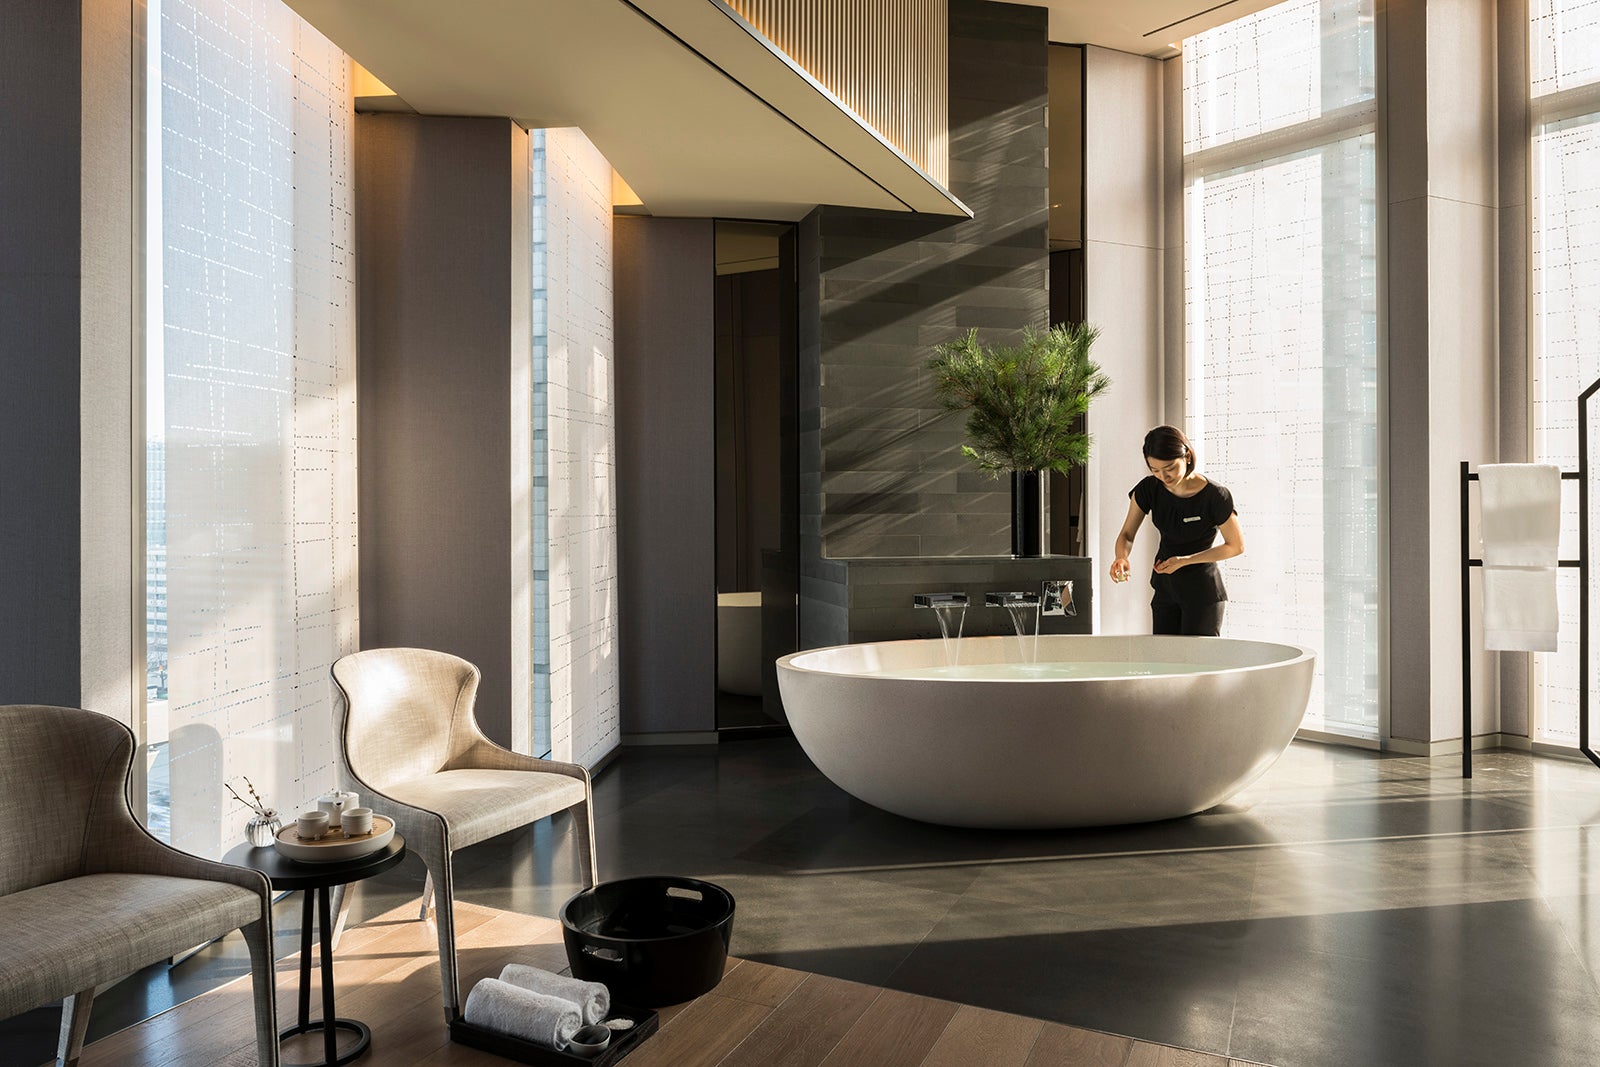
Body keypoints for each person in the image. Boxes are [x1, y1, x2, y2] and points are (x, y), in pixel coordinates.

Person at [1109, 425, 1243, 636]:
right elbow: (1126, 535)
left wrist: (1185, 560)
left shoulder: (1216, 496)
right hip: (1165, 588)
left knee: (1196, 664)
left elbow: (1235, 546)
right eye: (1155, 470)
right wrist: (1121, 557)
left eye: (1169, 467)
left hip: (1202, 593)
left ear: (1187, 456)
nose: (1163, 476)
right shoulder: (1149, 489)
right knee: (1164, 662)